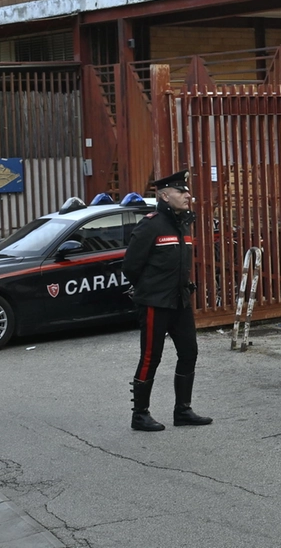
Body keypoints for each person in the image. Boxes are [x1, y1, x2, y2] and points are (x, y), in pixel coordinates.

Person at [122, 169, 213, 431]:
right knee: (151, 356)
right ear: (164, 195)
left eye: (187, 190)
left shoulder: (184, 224)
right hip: (155, 301)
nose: (188, 195)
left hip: (180, 300)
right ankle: (140, 414)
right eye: (181, 191)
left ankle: (182, 410)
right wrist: (149, 289)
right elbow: (131, 266)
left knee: (189, 352)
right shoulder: (151, 224)